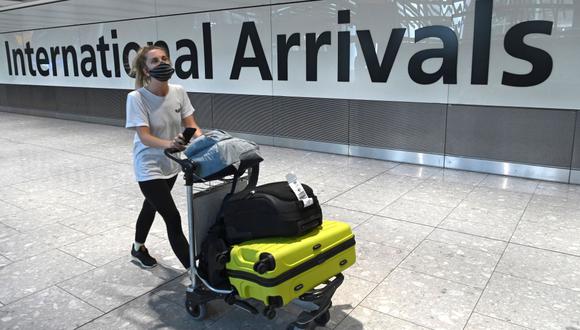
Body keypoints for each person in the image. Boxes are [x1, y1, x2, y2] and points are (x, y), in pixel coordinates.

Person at [125, 45, 202, 269]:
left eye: (165, 58)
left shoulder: (178, 91)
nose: (163, 63)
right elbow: (145, 136)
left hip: (171, 163)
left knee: (150, 206)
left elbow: (192, 125)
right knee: (172, 218)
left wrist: (205, 140)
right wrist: (170, 144)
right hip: (148, 165)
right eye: (155, 61)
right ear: (146, 70)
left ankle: (137, 248)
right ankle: (196, 274)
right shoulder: (137, 98)